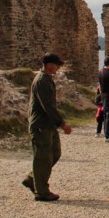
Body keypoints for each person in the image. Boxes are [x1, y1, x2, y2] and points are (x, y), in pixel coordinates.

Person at [22, 53, 72, 202]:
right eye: (57, 65)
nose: (58, 68)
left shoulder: (47, 80)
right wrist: (62, 124)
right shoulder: (41, 81)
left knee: (55, 153)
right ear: (49, 64)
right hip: (41, 125)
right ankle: (42, 191)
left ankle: (33, 179)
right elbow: (47, 106)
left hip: (48, 125)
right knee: (43, 157)